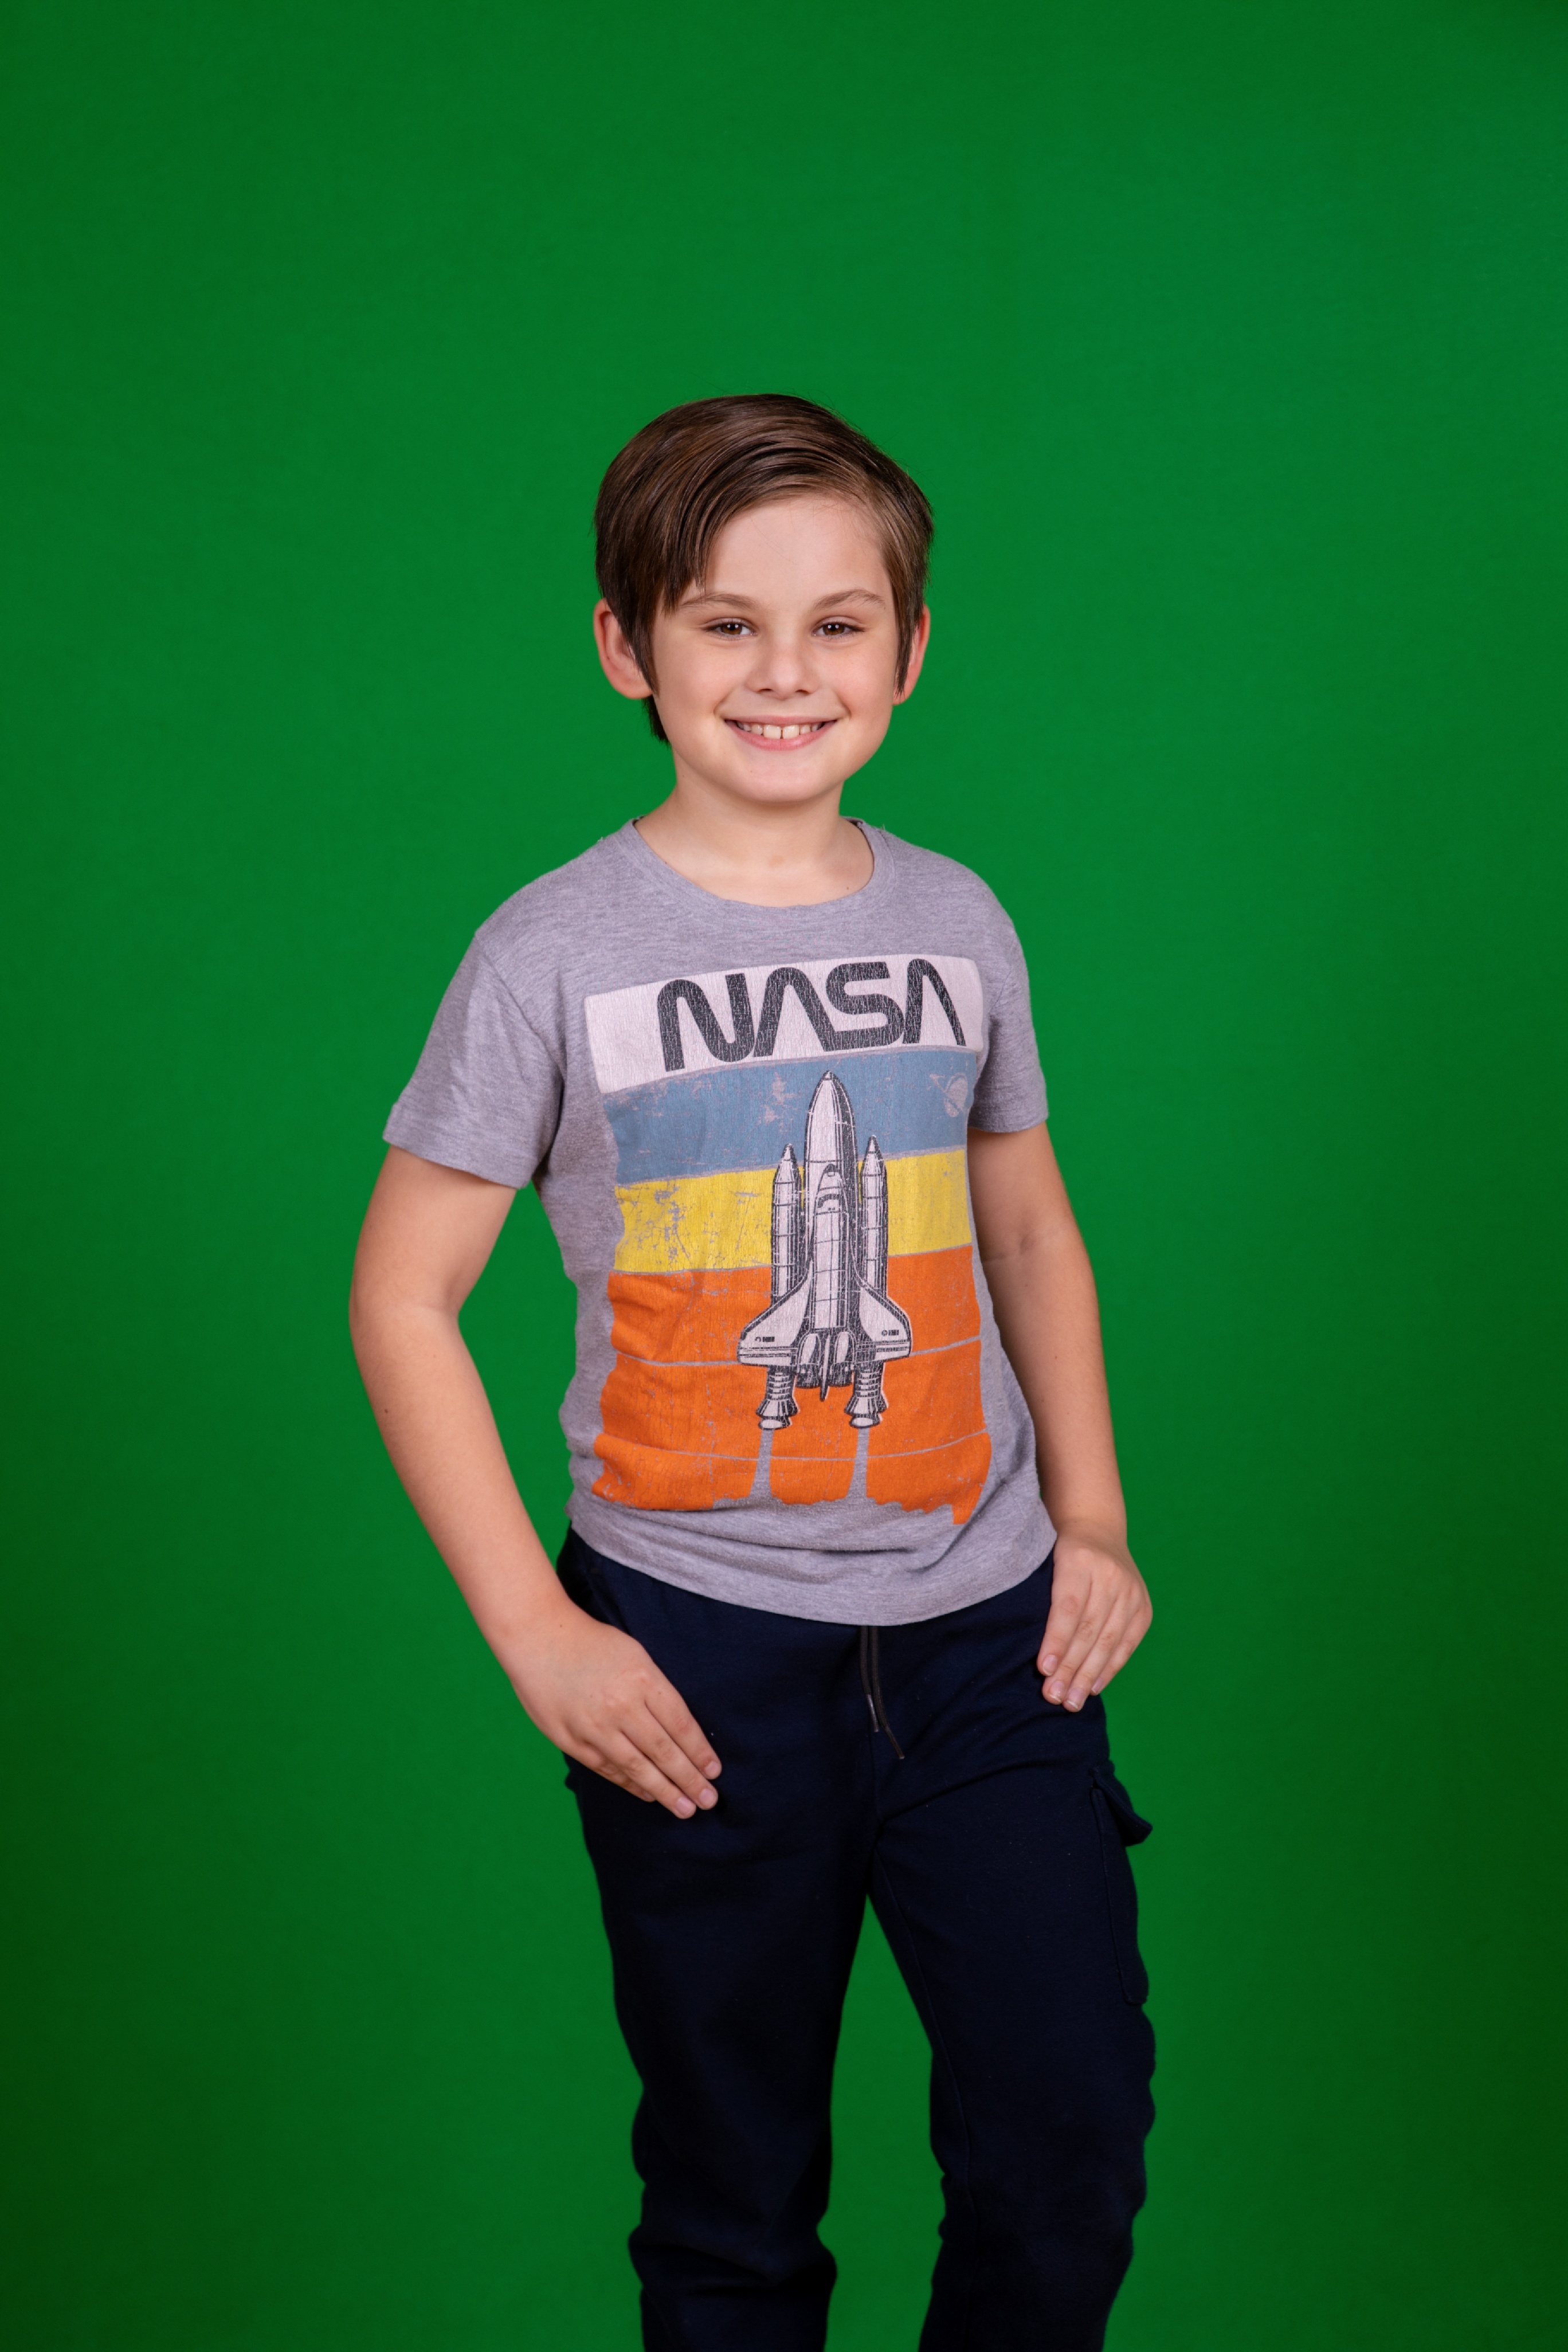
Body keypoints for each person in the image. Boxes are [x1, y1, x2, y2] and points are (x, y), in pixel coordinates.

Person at [350, 394, 1155, 2351]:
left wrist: (1096, 1518)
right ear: (628, 648)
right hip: (691, 1652)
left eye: (838, 623)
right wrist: (539, 1636)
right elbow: (402, 1297)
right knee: (734, 2202)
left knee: (1068, 2142)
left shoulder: (958, 919)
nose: (786, 672)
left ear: (911, 649)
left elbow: (1028, 1231)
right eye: (726, 622)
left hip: (987, 1638)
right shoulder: (550, 949)